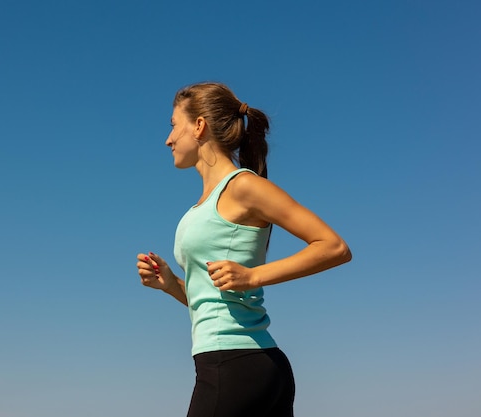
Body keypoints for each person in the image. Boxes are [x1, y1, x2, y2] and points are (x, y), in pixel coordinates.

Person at [136, 82, 351, 417]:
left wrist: (253, 276)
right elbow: (213, 302)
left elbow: (334, 247)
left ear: (199, 125)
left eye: (173, 126)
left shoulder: (243, 187)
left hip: (235, 365)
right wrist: (170, 284)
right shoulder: (199, 208)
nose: (168, 139)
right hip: (240, 365)